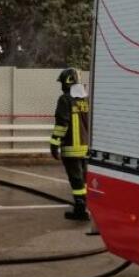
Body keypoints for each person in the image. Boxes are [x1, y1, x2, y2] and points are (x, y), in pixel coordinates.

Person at [49, 67, 90, 221]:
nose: (61, 87)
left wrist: (54, 144)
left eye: (62, 83)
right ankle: (83, 206)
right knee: (83, 181)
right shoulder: (86, 99)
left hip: (71, 149)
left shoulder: (65, 99)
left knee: (76, 180)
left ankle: (80, 209)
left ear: (68, 82)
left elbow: (62, 125)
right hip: (87, 149)